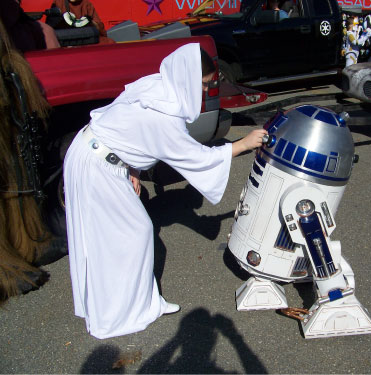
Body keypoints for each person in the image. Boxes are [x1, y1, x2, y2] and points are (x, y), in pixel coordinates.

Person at [63, 43, 267, 339]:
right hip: (96, 165)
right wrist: (244, 144)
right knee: (132, 233)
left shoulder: (158, 86)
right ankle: (116, 316)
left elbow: (126, 127)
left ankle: (139, 305)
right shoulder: (164, 114)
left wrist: (132, 168)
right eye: (202, 86)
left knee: (126, 234)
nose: (202, 93)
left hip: (98, 155)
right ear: (186, 78)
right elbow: (198, 158)